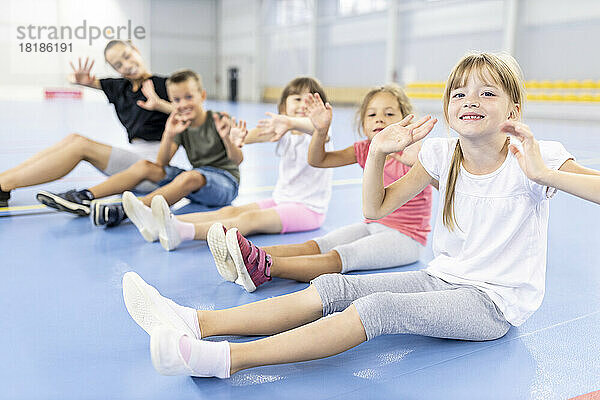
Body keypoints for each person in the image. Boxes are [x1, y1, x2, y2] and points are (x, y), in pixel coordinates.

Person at [120, 51, 600, 379]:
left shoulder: (535, 155)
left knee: (376, 309)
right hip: (443, 278)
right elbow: (377, 209)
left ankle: (226, 358)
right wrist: (376, 155)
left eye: (487, 93)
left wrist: (546, 174)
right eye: (459, 93)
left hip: (493, 304)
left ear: (514, 106)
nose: (470, 100)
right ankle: (196, 321)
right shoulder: (439, 155)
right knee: (332, 288)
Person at [206, 85, 433, 292]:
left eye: (389, 114)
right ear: (363, 123)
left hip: (407, 238)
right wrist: (320, 132)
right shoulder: (365, 148)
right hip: (373, 225)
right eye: (372, 114)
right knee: (317, 245)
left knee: (341, 257)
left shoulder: (412, 151)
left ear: (405, 118)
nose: (379, 119)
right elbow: (319, 160)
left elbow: (444, 182)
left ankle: (264, 266)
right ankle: (243, 255)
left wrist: (420, 162)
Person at [124, 77, 333, 250]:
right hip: (282, 200)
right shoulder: (283, 132)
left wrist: (289, 122)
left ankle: (181, 231)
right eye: (297, 99)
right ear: (283, 106)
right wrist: (234, 135)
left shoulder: (321, 131)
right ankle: (161, 222)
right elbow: (249, 136)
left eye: (312, 101)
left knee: (250, 220)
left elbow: (313, 126)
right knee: (230, 212)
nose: (304, 105)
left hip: (309, 210)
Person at [0, 39, 172, 210]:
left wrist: (159, 105)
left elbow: (193, 114)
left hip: (153, 170)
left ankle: (4, 184)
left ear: (135, 49)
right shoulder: (120, 87)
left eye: (127, 56)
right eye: (118, 65)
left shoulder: (166, 85)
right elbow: (81, 80)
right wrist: (77, 80)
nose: (126, 65)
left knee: (81, 145)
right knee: (73, 138)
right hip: (132, 161)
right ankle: (3, 181)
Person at [69, 69, 244, 230]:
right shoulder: (182, 124)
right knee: (146, 166)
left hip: (226, 183)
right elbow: (161, 165)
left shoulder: (218, 119)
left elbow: (238, 160)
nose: (183, 104)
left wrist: (227, 139)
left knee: (190, 176)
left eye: (189, 97)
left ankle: (127, 210)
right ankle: (86, 196)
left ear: (202, 95)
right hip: (197, 181)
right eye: (176, 100)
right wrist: (168, 133)